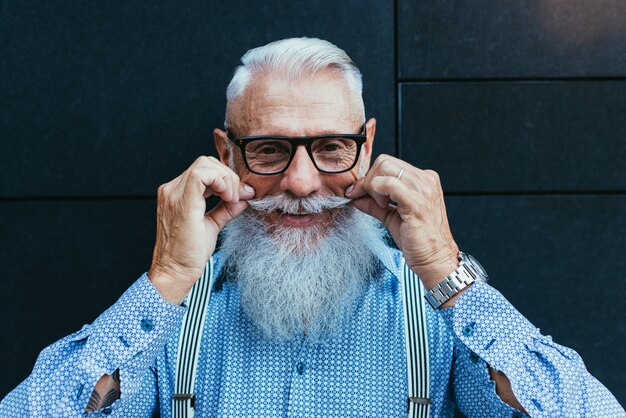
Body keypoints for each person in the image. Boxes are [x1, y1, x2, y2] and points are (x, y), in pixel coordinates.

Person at [1, 37, 623, 418]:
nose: (302, 184)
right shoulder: (167, 318)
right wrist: (165, 278)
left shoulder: (440, 307)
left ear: (367, 144)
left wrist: (445, 267)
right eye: (269, 150)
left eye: (330, 147)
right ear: (226, 154)